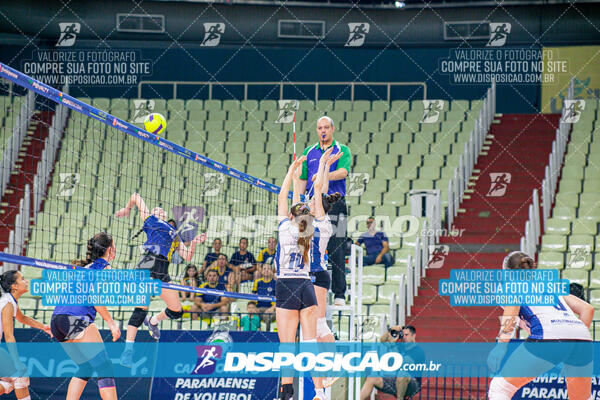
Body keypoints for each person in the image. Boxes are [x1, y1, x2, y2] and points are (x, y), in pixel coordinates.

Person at [487, 251, 593, 400]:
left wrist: (501, 346)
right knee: (582, 398)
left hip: (548, 335)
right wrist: (571, 341)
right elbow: (588, 309)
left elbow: (512, 309)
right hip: (582, 339)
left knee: (500, 388)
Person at [115, 192, 205, 364]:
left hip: (163, 270)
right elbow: (135, 196)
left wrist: (194, 242)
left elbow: (187, 257)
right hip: (147, 265)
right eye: (156, 209)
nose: (159, 210)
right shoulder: (150, 221)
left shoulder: (174, 234)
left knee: (177, 311)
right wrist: (127, 209)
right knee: (141, 308)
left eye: (161, 209)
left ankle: (153, 321)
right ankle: (128, 350)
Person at [277, 155, 326, 400]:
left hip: (286, 285)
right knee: (310, 345)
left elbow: (282, 195)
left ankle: (287, 394)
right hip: (306, 286)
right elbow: (305, 209)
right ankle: (320, 392)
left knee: (287, 347)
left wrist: (291, 172)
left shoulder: (284, 227)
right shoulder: (311, 229)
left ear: (291, 216)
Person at [50, 233, 121, 400]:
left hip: (57, 320)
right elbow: (95, 296)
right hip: (75, 318)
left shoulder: (85, 268)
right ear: (110, 249)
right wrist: (111, 323)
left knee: (85, 368)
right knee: (105, 368)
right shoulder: (104, 267)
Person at [294, 148, 342, 388]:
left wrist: (323, 163)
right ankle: (322, 382)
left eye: (313, 202)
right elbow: (302, 198)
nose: (310, 203)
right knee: (314, 329)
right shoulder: (306, 221)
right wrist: (296, 176)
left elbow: (320, 192)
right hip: (305, 277)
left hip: (317, 276)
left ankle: (330, 369)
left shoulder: (322, 223)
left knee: (317, 325)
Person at [296, 116, 352, 306]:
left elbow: (343, 172)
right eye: (320, 128)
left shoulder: (342, 150)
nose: (323, 131)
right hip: (312, 203)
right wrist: (297, 204)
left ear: (332, 129)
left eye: (326, 127)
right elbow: (302, 179)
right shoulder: (309, 151)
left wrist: (321, 175)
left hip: (335, 203)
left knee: (337, 247)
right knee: (306, 244)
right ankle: (307, 286)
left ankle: (339, 294)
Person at [0, 270, 51, 400]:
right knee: (19, 374)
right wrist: (17, 361)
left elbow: (22, 318)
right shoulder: (7, 304)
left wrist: (43, 327)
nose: (26, 281)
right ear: (14, 286)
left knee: (12, 381)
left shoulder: (10, 301)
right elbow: (9, 336)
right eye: (22, 279)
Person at [360, 325, 424, 400]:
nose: (404, 337)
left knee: (402, 373)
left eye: (407, 335)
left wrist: (393, 346)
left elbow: (403, 363)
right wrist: (391, 330)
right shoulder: (400, 347)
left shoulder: (418, 351)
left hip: (413, 384)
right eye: (403, 335)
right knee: (372, 378)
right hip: (397, 382)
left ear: (414, 336)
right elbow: (383, 340)